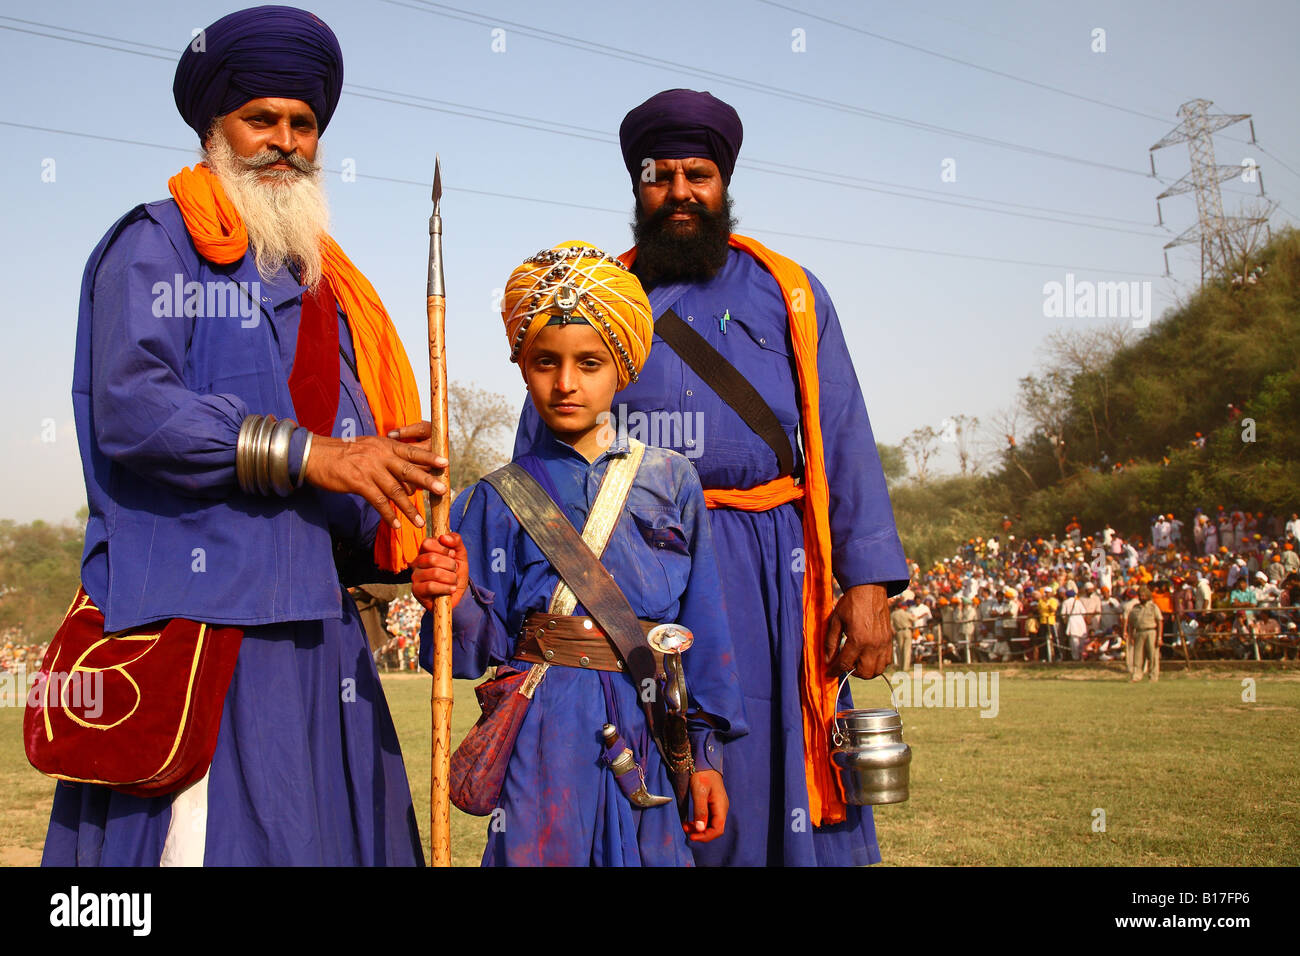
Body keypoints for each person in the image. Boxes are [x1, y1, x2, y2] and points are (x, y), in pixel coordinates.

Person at [41, 6, 439, 866]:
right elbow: (133, 407)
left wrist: (395, 540)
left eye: (304, 125)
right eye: (261, 119)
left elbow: (343, 480)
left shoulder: (331, 290)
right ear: (213, 127)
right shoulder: (155, 246)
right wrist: (311, 453)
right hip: (201, 636)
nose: (285, 142)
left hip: (320, 639)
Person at [511, 89, 908, 866]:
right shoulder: (590, 297)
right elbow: (539, 469)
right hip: (634, 575)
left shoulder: (789, 291)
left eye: (699, 175)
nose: (681, 192)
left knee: (769, 767)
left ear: (724, 184)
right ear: (637, 187)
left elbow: (846, 435)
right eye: (661, 176)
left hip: (770, 570)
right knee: (646, 769)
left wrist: (867, 586)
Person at [412, 242, 746, 866]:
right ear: (523, 366)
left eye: (589, 362)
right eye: (545, 362)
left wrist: (703, 757)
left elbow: (707, 627)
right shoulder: (495, 498)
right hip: (545, 728)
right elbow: (475, 647)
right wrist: (452, 596)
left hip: (649, 724)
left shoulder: (672, 481)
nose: (566, 383)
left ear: (623, 368)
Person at [1127, 586, 1163, 682]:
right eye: (1140, 595)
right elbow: (1130, 623)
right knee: (1138, 656)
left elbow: (1159, 621)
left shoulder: (1153, 607)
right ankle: (1136, 676)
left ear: (1147, 596)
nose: (1142, 597)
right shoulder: (1135, 609)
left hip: (1151, 631)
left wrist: (1159, 637)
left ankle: (1153, 677)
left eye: (1143, 595)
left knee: (1153, 656)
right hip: (1139, 632)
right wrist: (1131, 636)